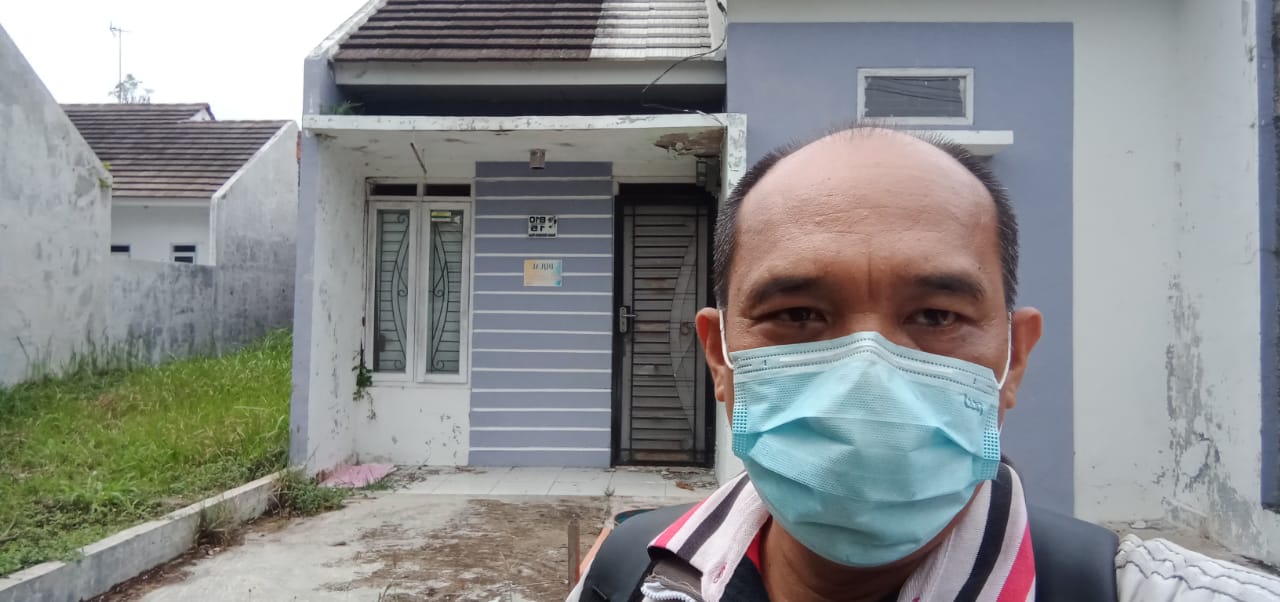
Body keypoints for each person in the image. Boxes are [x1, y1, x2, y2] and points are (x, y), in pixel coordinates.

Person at [567, 127, 1280, 601]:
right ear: (720, 358)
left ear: (1013, 360)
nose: (867, 378)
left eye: (936, 317)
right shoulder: (628, 574)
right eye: (798, 315)